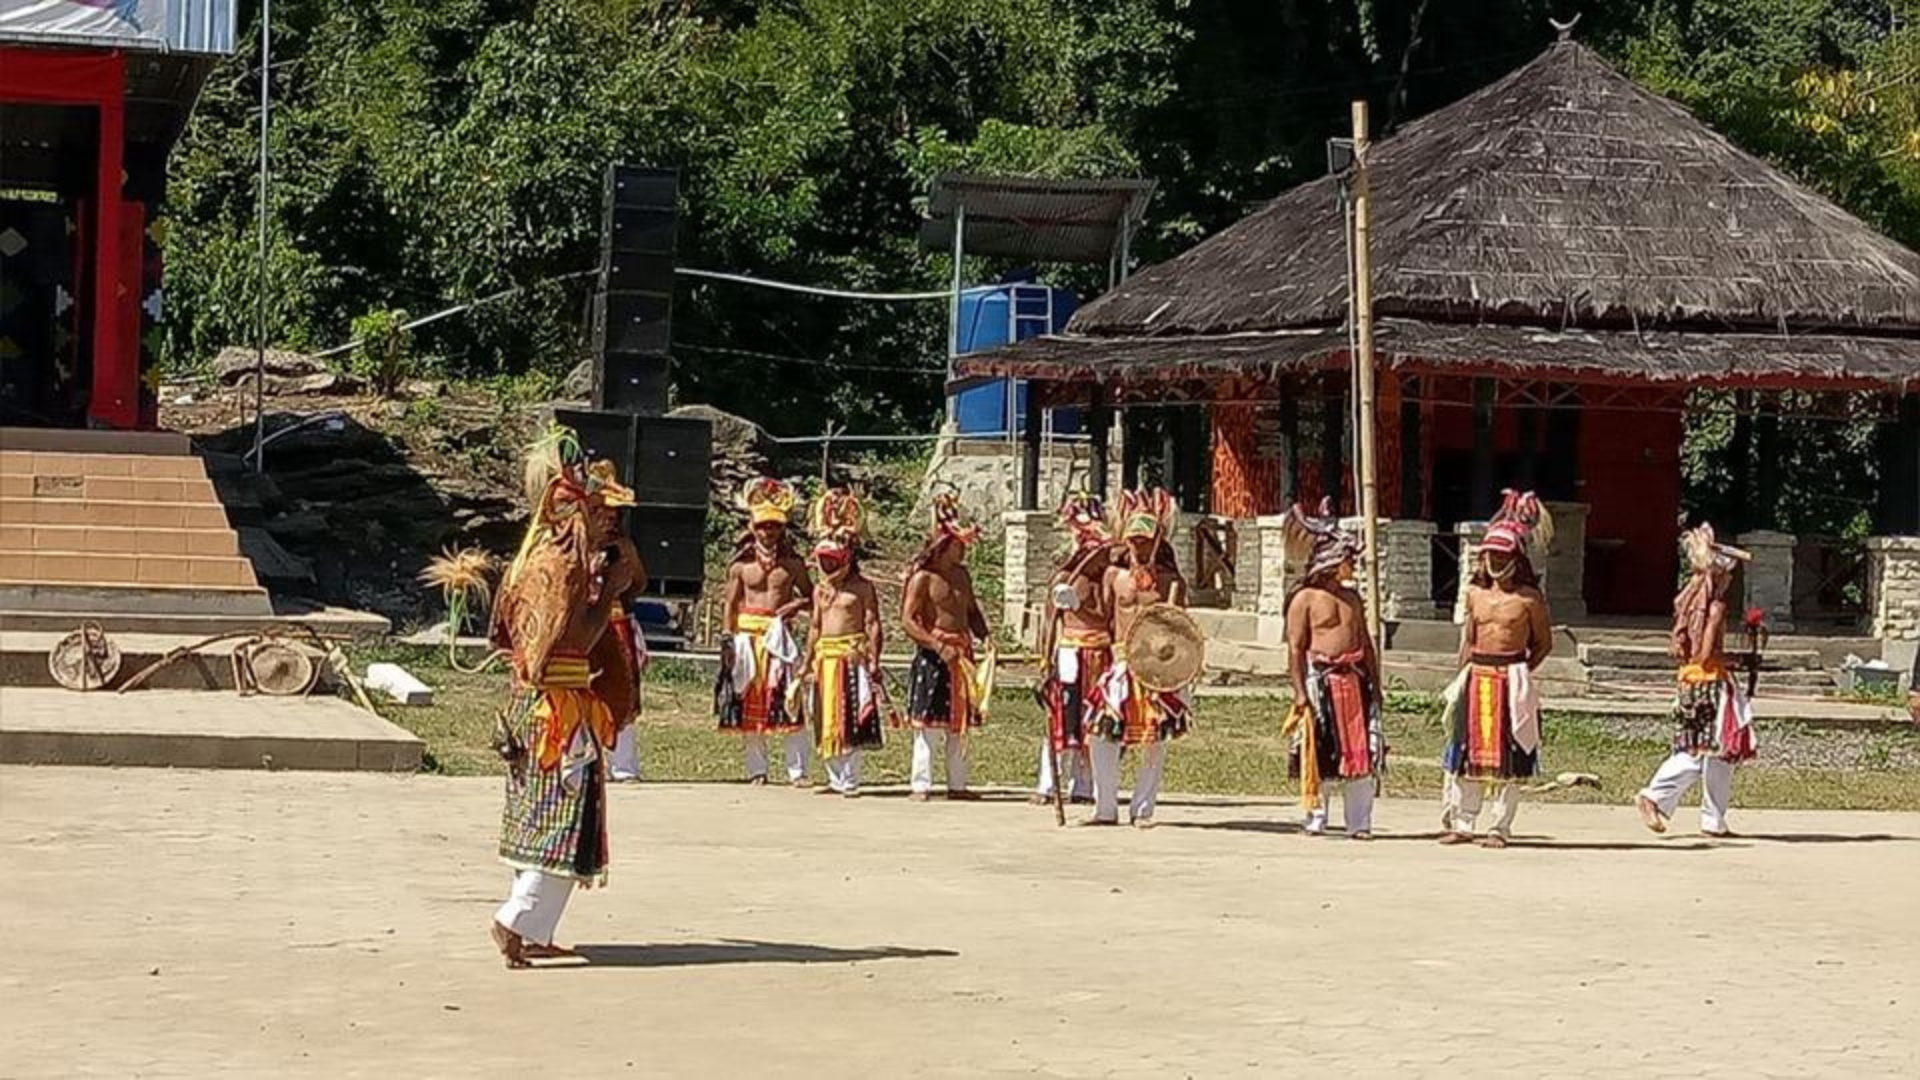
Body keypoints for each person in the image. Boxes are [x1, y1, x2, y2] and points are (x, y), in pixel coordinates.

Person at [487, 431, 642, 968]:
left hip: (531, 705)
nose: (607, 522)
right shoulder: (565, 565)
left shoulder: (531, 557)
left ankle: (534, 929)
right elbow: (568, 640)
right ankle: (515, 918)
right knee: (564, 820)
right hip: (560, 710)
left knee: (537, 817)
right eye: (598, 512)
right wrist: (610, 594)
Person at [1440, 490, 1554, 849]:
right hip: (1476, 678)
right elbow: (1468, 639)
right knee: (1465, 753)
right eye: (1490, 554)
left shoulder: (1529, 600)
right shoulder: (1474, 594)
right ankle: (1463, 823)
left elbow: (1543, 644)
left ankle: (1499, 827)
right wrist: (1460, 678)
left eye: (1502, 555)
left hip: (1511, 680)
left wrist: (1520, 673)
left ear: (1516, 558)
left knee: (1511, 757)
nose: (1495, 560)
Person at [1636, 524, 1758, 838]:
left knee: (1718, 756)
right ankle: (1654, 795)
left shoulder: (1689, 601)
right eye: (1727, 576)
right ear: (1719, 575)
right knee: (1700, 752)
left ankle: (1713, 820)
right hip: (1709, 685)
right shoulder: (1715, 607)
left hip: (1692, 682)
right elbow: (1705, 656)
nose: (1729, 581)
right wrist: (1737, 659)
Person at [1281, 500, 1384, 840]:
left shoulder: (1353, 599)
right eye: (1348, 559)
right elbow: (1295, 649)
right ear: (1332, 562)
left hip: (1355, 682)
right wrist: (1300, 693)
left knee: (1362, 753)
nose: (1353, 564)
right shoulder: (1304, 600)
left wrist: (1376, 686)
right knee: (1319, 750)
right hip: (1320, 683)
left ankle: (1360, 823)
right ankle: (1316, 818)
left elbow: (1365, 644)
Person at [1088, 487, 1190, 828]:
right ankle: (1105, 807)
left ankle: (1143, 809)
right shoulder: (1113, 577)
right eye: (1133, 539)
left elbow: (1182, 630)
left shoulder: (1171, 582)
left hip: (1156, 668)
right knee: (1100, 733)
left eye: (1145, 540)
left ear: (1158, 540)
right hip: (1120, 662)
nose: (1138, 546)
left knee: (1155, 737)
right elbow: (1103, 620)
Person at [715, 478, 813, 786]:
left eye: (774, 526)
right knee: (749, 703)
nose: (768, 532)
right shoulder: (740, 566)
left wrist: (794, 605)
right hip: (747, 638)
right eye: (763, 526)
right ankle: (757, 770)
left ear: (782, 529)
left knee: (790, 701)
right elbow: (730, 604)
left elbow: (813, 597)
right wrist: (727, 639)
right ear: (752, 527)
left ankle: (797, 771)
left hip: (778, 639)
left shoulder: (793, 564)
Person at [901, 490, 991, 802]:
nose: (963, 551)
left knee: (959, 723)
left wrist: (985, 636)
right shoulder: (923, 579)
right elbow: (908, 620)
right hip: (934, 656)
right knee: (927, 724)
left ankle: (958, 784)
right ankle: (921, 784)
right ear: (944, 545)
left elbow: (972, 612)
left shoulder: (963, 576)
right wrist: (937, 646)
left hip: (962, 654)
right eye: (958, 545)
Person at [1033, 492, 1110, 807]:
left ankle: (1085, 785)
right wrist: (1045, 660)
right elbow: (1049, 623)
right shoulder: (1064, 577)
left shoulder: (1109, 578)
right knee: (1062, 718)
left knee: (1093, 720)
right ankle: (1048, 784)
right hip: (1069, 652)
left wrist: (1082, 605)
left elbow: (1109, 616)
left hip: (1100, 653)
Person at [806, 488, 885, 797]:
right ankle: (834, 777)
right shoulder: (819, 590)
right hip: (824, 660)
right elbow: (815, 627)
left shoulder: (863, 588)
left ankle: (850, 779)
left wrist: (873, 660)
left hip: (851, 657)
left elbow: (873, 624)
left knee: (850, 716)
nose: (828, 568)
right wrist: (805, 664)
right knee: (824, 716)